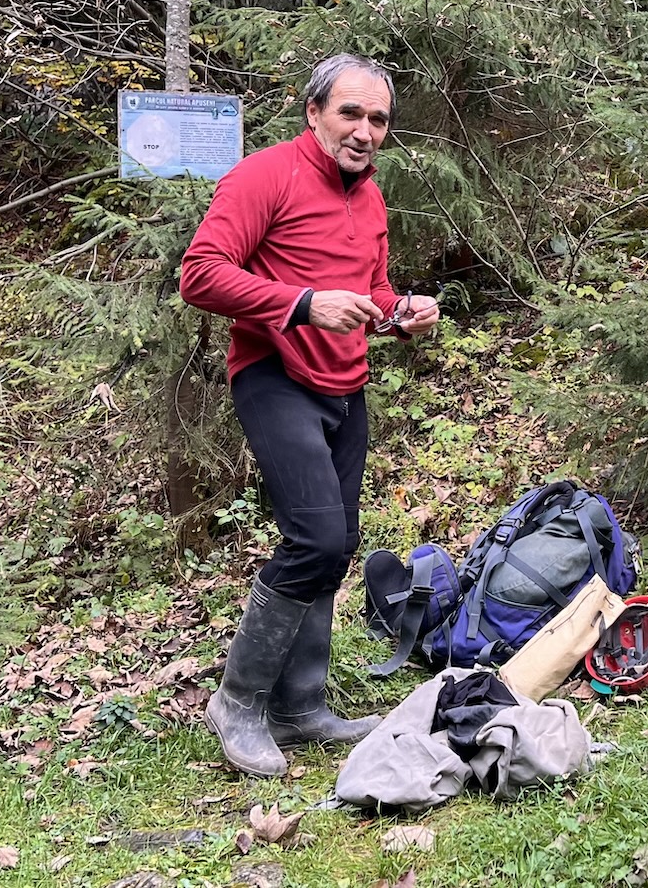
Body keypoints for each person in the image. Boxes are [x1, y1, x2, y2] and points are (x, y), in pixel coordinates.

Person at [179, 54, 441, 776]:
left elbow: (373, 291)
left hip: (344, 383)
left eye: (378, 119)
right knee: (317, 536)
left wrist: (401, 313)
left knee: (340, 538)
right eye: (350, 113)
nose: (364, 130)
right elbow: (199, 273)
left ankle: (299, 707)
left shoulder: (371, 199)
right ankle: (237, 702)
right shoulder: (266, 175)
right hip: (273, 374)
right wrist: (301, 302)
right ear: (314, 112)